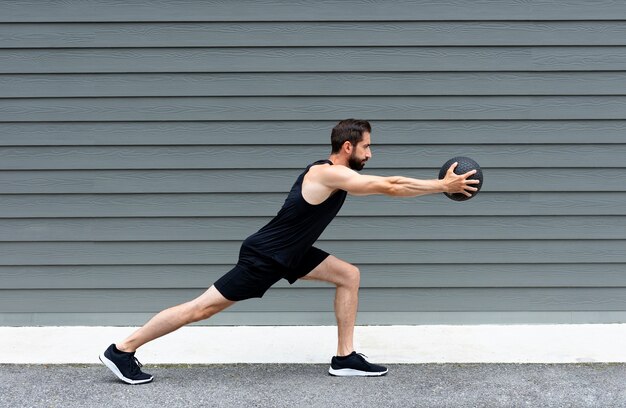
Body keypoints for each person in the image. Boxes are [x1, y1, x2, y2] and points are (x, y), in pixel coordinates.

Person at [99, 119, 479, 384]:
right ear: (348, 147)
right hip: (266, 255)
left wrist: (437, 187)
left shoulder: (337, 173)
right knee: (201, 308)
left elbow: (390, 185)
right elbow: (391, 186)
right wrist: (442, 185)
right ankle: (122, 349)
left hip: (292, 252)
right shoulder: (327, 173)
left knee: (348, 275)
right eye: (367, 146)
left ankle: (345, 358)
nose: (371, 153)